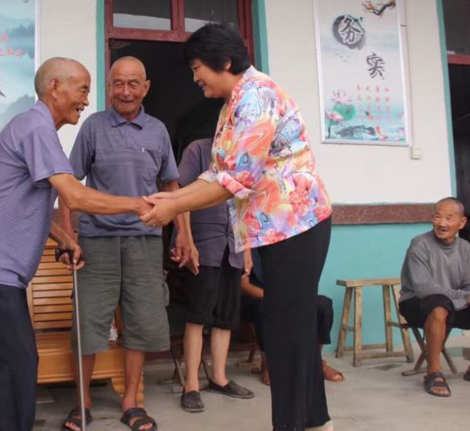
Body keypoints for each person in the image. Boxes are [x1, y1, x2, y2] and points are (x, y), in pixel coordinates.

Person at [140, 24, 333, 431]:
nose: (194, 77)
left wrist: (173, 204)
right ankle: (315, 423)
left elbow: (235, 180)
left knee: (285, 331)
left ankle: (295, 424)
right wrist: (173, 200)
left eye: (197, 67)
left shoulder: (257, 97)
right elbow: (218, 172)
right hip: (277, 228)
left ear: (225, 62)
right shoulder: (234, 103)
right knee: (289, 328)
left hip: (297, 224)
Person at [0, 57, 153, 431]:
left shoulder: (37, 128)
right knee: (15, 372)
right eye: (83, 90)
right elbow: (75, 195)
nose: (86, 100)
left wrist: (64, 237)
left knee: (13, 371)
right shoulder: (36, 128)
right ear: (55, 87)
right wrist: (142, 204)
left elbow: (21, 200)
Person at [59, 56, 191, 431]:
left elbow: (171, 186)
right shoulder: (93, 127)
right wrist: (68, 235)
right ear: (109, 87)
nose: (126, 91)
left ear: (146, 88)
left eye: (133, 83)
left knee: (141, 322)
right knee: (88, 322)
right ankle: (82, 402)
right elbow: (68, 183)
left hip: (145, 241)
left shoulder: (158, 131)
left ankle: (131, 401)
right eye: (118, 83)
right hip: (96, 241)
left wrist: (183, 232)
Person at [171, 138, 254, 413]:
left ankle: (219, 378)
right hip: (204, 245)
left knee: (226, 317)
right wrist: (186, 239)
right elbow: (180, 195)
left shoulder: (244, 154)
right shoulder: (198, 150)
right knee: (197, 316)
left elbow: (246, 205)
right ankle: (191, 385)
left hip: (234, 246)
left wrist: (247, 249)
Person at [399, 197, 470, 397]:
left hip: (453, 303)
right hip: (416, 303)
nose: (442, 223)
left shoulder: (464, 247)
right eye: (437, 217)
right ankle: (433, 371)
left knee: (448, 303)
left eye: (449, 218)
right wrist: (467, 296)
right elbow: (424, 288)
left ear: (461, 222)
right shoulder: (419, 244)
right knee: (439, 304)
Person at [240, 251, 344, 386]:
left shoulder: (285, 244)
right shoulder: (246, 245)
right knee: (265, 307)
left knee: (323, 305)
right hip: (254, 297)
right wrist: (273, 298)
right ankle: (269, 364)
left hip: (286, 295)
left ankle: (314, 362)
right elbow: (242, 285)